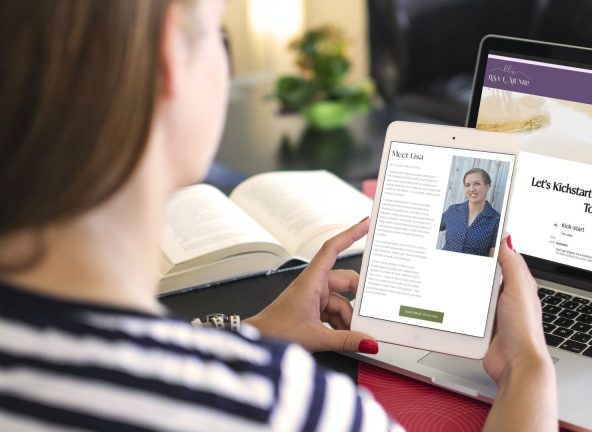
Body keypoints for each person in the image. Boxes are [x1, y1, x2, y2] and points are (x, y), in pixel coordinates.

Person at [0, 1, 556, 431]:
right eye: (219, 39)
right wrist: (528, 366)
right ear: (170, 59)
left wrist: (253, 333)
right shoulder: (275, 406)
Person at [440, 168, 501, 257]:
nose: (471, 189)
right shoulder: (453, 210)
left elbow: (492, 258)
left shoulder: (496, 220)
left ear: (487, 187)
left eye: (477, 184)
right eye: (467, 185)